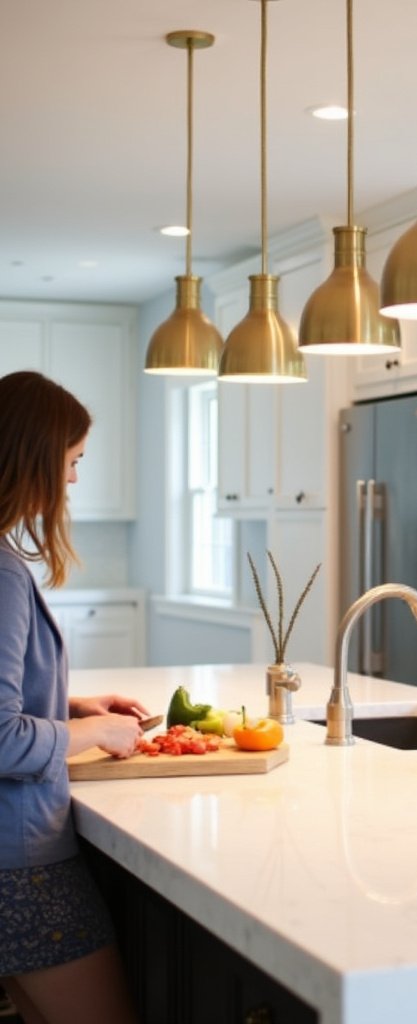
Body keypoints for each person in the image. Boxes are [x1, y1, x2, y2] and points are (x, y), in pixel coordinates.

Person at [0, 371, 146, 1024]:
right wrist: (97, 735)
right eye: (73, 461)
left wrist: (71, 708)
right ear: (34, 457)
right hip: (21, 864)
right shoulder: (2, 572)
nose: (76, 480)